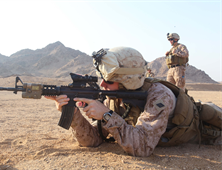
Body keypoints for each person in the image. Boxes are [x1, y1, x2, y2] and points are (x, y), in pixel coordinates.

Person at [46, 47, 222, 157]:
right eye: (102, 78)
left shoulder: (159, 97)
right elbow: (93, 141)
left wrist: (107, 116)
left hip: (205, 133)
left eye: (108, 80)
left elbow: (143, 148)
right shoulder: (116, 98)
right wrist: (73, 114)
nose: (102, 84)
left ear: (127, 81)